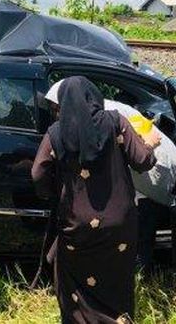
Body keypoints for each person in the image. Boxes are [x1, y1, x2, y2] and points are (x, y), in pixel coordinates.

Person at [33, 76, 158, 323]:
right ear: (94, 97)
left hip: (77, 224)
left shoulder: (56, 133)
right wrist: (150, 144)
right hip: (119, 223)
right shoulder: (116, 122)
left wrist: (54, 192)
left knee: (76, 283)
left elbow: (38, 174)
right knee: (117, 279)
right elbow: (143, 161)